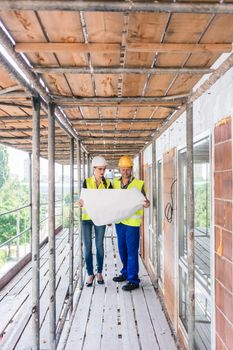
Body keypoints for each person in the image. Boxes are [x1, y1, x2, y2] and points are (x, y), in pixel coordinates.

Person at [112, 156, 150, 291]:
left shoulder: (139, 184)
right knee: (122, 249)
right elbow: (110, 202)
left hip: (132, 223)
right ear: (119, 170)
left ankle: (133, 280)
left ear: (131, 169)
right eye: (123, 169)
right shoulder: (115, 184)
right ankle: (125, 273)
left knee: (132, 251)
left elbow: (146, 202)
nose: (125, 171)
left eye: (127, 169)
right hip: (120, 222)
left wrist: (146, 204)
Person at [78, 156, 112, 287]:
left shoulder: (108, 184)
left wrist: (109, 217)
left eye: (103, 169)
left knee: (99, 246)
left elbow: (109, 203)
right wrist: (80, 202)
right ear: (94, 169)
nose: (102, 172)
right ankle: (90, 273)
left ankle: (99, 272)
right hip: (87, 219)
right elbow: (82, 199)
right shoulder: (86, 182)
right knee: (87, 247)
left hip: (101, 218)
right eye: (100, 169)